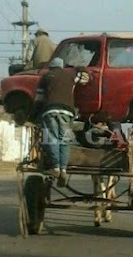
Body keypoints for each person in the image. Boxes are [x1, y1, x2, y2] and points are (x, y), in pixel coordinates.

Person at [33, 57, 90, 187]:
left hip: (50, 110)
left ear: (51, 67)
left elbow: (39, 99)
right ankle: (64, 169)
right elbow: (84, 78)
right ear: (62, 66)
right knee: (64, 139)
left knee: (52, 139)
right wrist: (79, 68)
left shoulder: (46, 77)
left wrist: (34, 114)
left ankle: (56, 168)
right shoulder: (70, 74)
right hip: (67, 111)